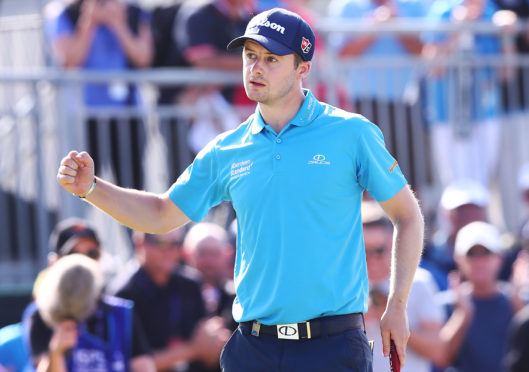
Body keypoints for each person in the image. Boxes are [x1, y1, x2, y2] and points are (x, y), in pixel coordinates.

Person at [56, 8, 424, 372]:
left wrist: (397, 304)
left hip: (332, 349)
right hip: (252, 349)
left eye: (271, 58)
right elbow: (161, 214)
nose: (256, 67)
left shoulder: (352, 133)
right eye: (250, 56)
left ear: (303, 69)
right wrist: (91, 188)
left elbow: (407, 216)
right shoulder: (226, 149)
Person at [44, 0, 154, 189]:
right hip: (84, 117)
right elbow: (69, 62)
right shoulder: (63, 13)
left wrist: (118, 24)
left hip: (128, 113)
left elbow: (143, 58)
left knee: (132, 189)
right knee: (79, 187)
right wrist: (89, 23)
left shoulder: (133, 11)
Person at [327, 0, 428, 188]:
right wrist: (373, 28)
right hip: (362, 104)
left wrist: (395, 25)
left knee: (408, 179)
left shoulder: (414, 6)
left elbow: (424, 51)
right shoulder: (346, 6)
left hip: (405, 104)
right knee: (363, 179)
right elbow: (343, 53)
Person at [107, 229, 229, 372]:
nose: (169, 251)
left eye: (175, 244)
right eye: (161, 243)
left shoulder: (190, 284)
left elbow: (209, 347)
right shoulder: (123, 294)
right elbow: (129, 364)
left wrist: (213, 340)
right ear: (140, 243)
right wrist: (192, 349)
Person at [28, 253, 155, 372]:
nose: (83, 260)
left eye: (92, 253)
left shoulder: (121, 314)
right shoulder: (43, 316)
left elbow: (143, 365)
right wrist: (56, 352)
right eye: (73, 253)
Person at [362, 201, 444, 372]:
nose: (371, 259)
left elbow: (439, 351)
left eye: (378, 250)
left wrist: (393, 316)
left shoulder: (418, 282)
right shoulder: (346, 288)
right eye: (364, 250)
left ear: (392, 244)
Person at [434, 221, 514, 372]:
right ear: (458, 260)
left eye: (486, 253)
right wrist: (462, 315)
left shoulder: (519, 300)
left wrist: (520, 310)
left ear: (500, 258)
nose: (479, 262)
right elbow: (441, 358)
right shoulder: (444, 305)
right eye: (471, 254)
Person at [421, 179, 489, 291]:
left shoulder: (500, 254)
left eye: (473, 209)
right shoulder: (429, 256)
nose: (467, 215)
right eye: (460, 210)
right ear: (447, 213)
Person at [182, 222, 236, 328]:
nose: (209, 261)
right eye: (202, 252)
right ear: (187, 254)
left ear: (227, 254)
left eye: (214, 253)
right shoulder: (174, 295)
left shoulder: (236, 297)